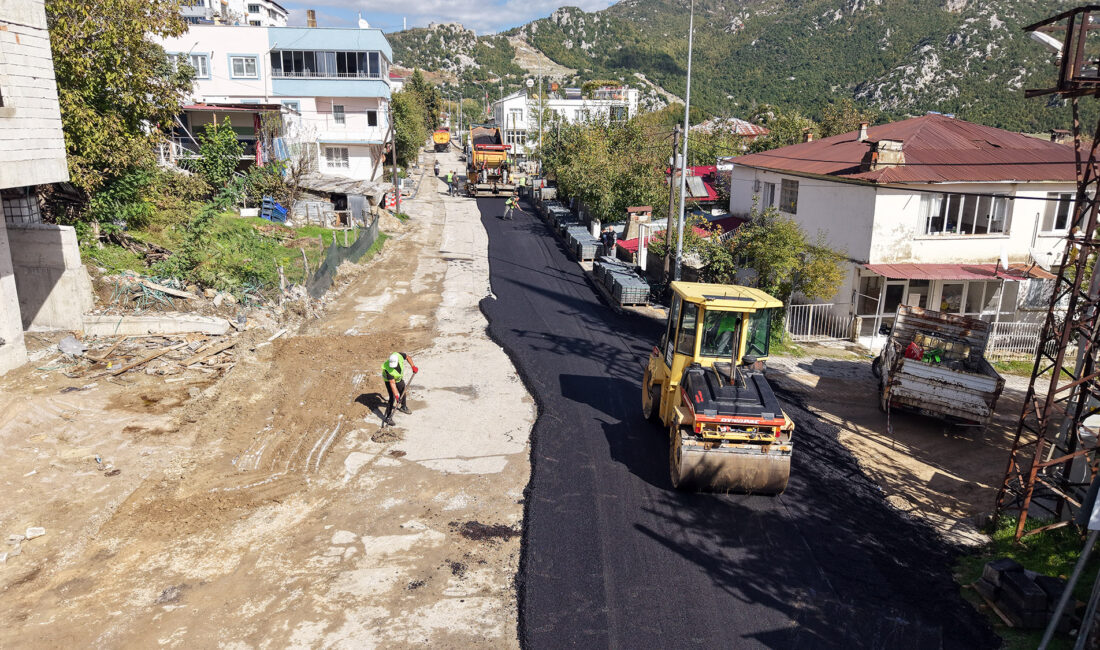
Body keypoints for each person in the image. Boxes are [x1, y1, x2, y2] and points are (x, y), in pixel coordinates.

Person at [381, 352, 418, 426]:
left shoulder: (398, 355)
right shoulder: (388, 370)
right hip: (389, 381)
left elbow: (407, 357)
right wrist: (397, 395)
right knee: (392, 397)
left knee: (403, 391)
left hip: (398, 378)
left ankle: (403, 407)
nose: (393, 367)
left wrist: (413, 366)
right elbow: (392, 384)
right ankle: (388, 417)